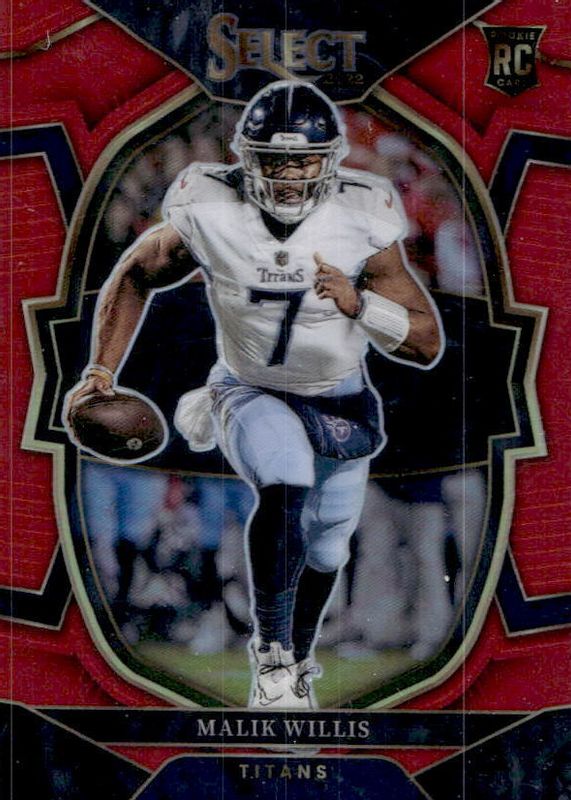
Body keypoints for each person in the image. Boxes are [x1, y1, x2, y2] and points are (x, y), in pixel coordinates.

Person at [65, 80, 443, 710]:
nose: (289, 176)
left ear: (330, 161)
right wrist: (100, 373)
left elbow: (426, 342)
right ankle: (271, 660)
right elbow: (134, 273)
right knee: (286, 481)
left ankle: (298, 655)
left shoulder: (362, 213)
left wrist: (361, 305)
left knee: (328, 544)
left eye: (304, 161)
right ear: (246, 157)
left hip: (340, 395)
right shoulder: (209, 205)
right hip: (250, 386)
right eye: (274, 159)